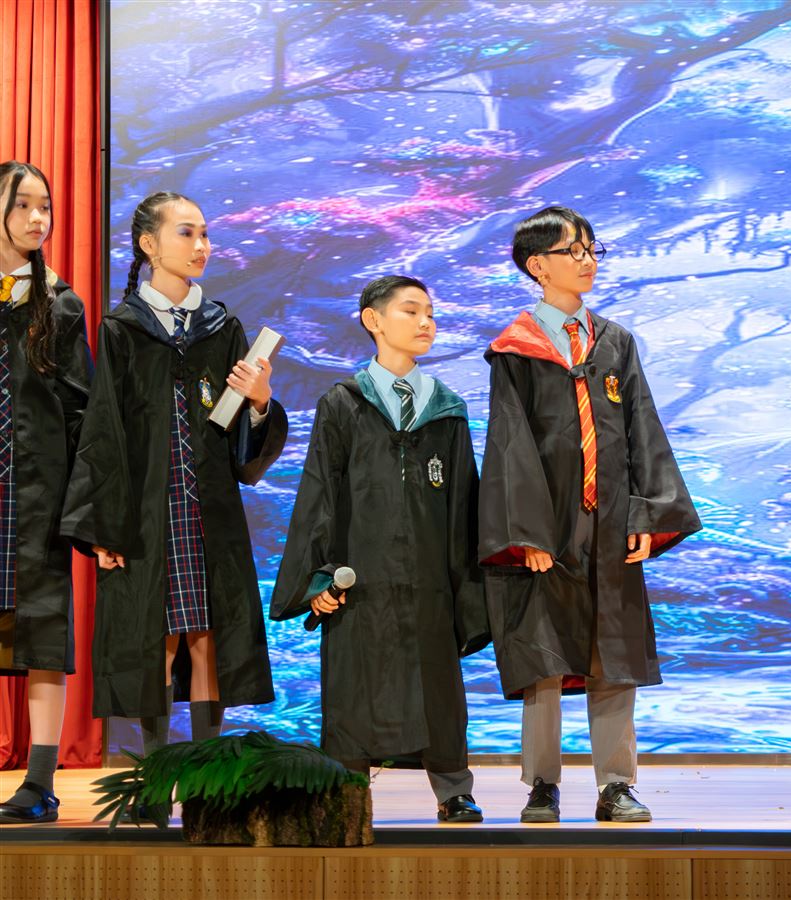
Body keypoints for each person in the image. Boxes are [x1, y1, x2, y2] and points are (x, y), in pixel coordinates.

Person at [479, 207, 701, 824]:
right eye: (572, 250)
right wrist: (525, 532)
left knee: (614, 654)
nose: (587, 260)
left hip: (610, 519)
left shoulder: (614, 342)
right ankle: (541, 785)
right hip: (548, 524)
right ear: (537, 265)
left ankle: (617, 785)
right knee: (543, 657)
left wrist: (647, 514)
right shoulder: (515, 350)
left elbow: (642, 429)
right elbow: (509, 444)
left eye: (590, 249)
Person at [61, 191, 286, 759]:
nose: (202, 245)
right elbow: (104, 429)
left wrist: (261, 401)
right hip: (147, 509)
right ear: (149, 245)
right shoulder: (123, 328)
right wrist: (102, 526)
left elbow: (240, 440)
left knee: (209, 635)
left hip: (209, 508)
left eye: (205, 233)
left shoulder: (221, 327)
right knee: (154, 638)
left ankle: (206, 771)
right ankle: (156, 775)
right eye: (186, 233)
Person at [270, 275, 489, 823]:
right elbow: (319, 496)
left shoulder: (447, 410)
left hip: (430, 578)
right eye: (411, 311)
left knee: (437, 684)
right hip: (359, 577)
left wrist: (468, 591)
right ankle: (347, 793)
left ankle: (453, 789)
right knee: (354, 683)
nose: (425, 323)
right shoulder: (343, 404)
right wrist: (319, 578)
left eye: (430, 313)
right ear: (373, 320)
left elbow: (464, 507)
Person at [0, 162, 93, 824]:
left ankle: (39, 783)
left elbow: (81, 412)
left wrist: (87, 510)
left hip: (36, 495)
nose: (39, 219)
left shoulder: (60, 305)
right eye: (24, 205)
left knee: (42, 637)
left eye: (47, 206)